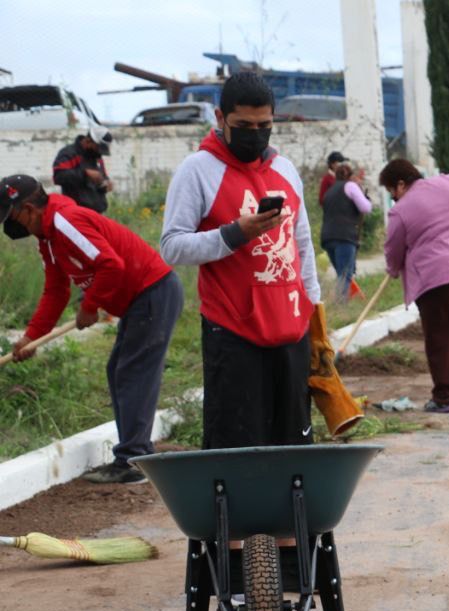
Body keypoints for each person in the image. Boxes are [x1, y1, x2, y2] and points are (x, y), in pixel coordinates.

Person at [161, 71, 355, 450]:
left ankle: (290, 511)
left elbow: (301, 246)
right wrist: (235, 234)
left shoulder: (285, 170)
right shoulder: (197, 171)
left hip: (291, 329)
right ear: (220, 119)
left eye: (264, 125)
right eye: (243, 125)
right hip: (233, 333)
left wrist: (316, 320)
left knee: (293, 442)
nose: (255, 133)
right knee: (238, 445)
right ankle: (237, 511)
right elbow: (172, 246)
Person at [2, 174, 182, 484]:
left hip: (153, 292)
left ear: (29, 208)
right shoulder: (48, 239)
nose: (10, 225)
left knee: (132, 373)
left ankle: (133, 459)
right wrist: (31, 337)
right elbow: (55, 291)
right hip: (139, 299)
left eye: (10, 215)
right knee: (120, 371)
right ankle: (134, 454)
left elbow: (111, 264)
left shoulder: (64, 222)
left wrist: (90, 305)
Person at [381, 159, 449, 413]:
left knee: (440, 337)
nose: (394, 199)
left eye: (392, 193)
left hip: (437, 277)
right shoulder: (446, 182)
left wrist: (393, 268)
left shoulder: (400, 210)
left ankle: (444, 397)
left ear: (400, 184)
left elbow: (393, 247)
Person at [320, 161, 371, 302]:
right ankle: (340, 307)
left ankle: (345, 302)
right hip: (344, 236)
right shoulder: (350, 186)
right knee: (345, 275)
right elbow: (365, 208)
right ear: (350, 175)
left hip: (327, 237)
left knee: (342, 274)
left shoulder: (329, 191)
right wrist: (365, 197)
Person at [52, 125, 113, 213]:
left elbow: (103, 177)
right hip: (77, 212)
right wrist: (84, 174)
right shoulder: (69, 153)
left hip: (97, 212)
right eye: (98, 148)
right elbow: (58, 177)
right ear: (88, 141)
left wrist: (106, 184)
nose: (100, 153)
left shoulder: (97, 157)